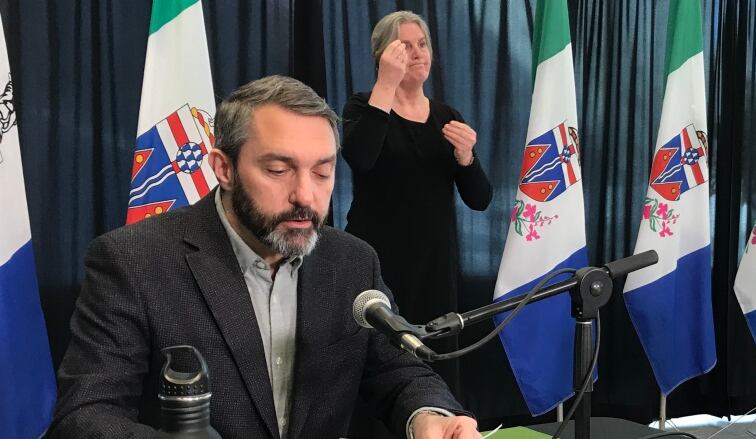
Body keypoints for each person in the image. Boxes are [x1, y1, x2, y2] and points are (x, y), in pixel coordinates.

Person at [46, 76, 481, 439]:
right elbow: (85, 416)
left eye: (322, 171)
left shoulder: (351, 261)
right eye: (278, 170)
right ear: (224, 168)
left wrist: (429, 416)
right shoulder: (134, 260)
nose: (305, 196)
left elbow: (397, 373)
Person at [341, 11, 493, 392]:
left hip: (434, 266)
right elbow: (360, 157)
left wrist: (467, 157)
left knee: (433, 362)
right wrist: (386, 86)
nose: (417, 53)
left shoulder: (446, 116)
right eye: (404, 45)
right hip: (377, 262)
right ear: (382, 55)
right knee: (378, 360)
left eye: (422, 44)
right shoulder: (361, 107)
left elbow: (480, 199)